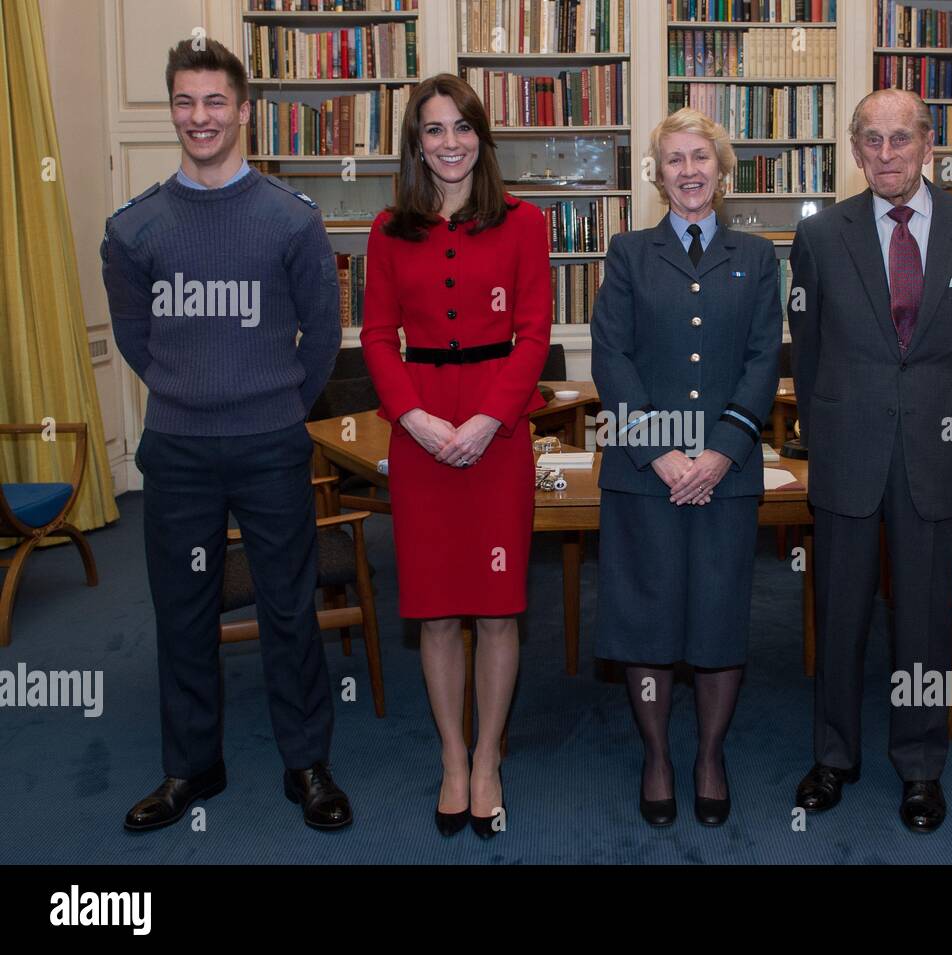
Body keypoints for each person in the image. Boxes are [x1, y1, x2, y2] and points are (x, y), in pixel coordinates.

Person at [102, 39, 350, 831]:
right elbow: (138, 341)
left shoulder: (292, 219)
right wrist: (192, 396)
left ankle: (306, 762)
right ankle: (190, 768)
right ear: (172, 108)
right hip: (177, 450)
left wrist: (271, 403)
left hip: (271, 443)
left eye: (215, 101)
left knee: (288, 609)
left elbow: (322, 335)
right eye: (185, 101)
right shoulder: (133, 227)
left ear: (244, 111)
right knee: (182, 611)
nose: (199, 117)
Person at [788, 88, 952, 833]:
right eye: (871, 141)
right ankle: (833, 756)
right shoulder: (820, 237)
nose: (886, 154)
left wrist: (933, 406)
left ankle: (920, 765)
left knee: (924, 618)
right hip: (847, 449)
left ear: (928, 144)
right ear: (855, 151)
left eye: (900, 139)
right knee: (839, 613)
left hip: (935, 452)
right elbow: (810, 350)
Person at [360, 74, 551, 840]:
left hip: (497, 435)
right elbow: (376, 336)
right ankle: (450, 756)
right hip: (419, 437)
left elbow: (534, 333)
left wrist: (487, 418)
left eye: (462, 127)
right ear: (416, 143)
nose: (449, 143)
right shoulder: (385, 229)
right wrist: (412, 416)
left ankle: (489, 758)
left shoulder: (524, 222)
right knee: (436, 611)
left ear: (482, 137)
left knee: (499, 611)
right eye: (433, 130)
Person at [591, 107, 782, 828]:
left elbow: (765, 359)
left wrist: (721, 452)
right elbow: (612, 358)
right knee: (646, 620)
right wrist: (661, 453)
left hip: (726, 473)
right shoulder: (628, 253)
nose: (689, 171)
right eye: (673, 159)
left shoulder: (757, 257)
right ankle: (657, 755)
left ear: (722, 169)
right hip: (646, 473)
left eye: (700, 156)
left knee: (718, 618)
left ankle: (707, 753)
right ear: (657, 172)